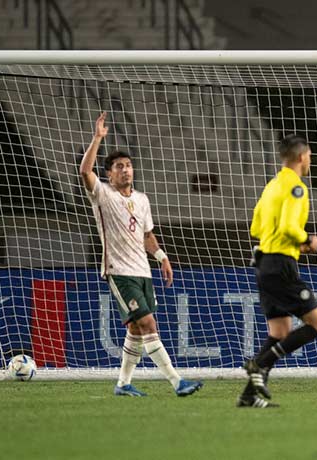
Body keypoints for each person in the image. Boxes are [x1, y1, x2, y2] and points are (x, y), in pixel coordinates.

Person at [79, 112, 202, 397]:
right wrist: (98, 138)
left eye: (128, 166)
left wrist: (162, 257)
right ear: (109, 173)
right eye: (119, 167)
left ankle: (123, 384)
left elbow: (147, 235)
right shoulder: (103, 194)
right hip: (118, 270)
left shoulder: (142, 199)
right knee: (148, 323)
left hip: (143, 271)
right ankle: (177, 382)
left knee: (136, 329)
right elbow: (85, 172)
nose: (125, 170)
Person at [238, 134, 317, 408]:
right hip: (280, 265)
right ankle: (259, 364)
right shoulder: (297, 188)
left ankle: (248, 397)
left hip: (264, 264)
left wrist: (284, 240)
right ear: (301, 157)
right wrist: (308, 240)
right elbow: (289, 227)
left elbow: (255, 228)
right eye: (309, 155)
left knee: (280, 331)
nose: (310, 160)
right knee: (316, 324)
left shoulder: (272, 185)